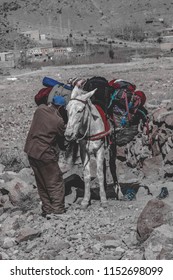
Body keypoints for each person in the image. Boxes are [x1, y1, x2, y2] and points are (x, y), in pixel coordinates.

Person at [24, 96, 67, 218]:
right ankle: (58, 209)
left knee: (41, 182)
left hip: (31, 151)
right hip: (45, 154)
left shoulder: (40, 110)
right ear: (60, 107)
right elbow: (62, 140)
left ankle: (47, 208)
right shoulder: (58, 121)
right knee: (55, 181)